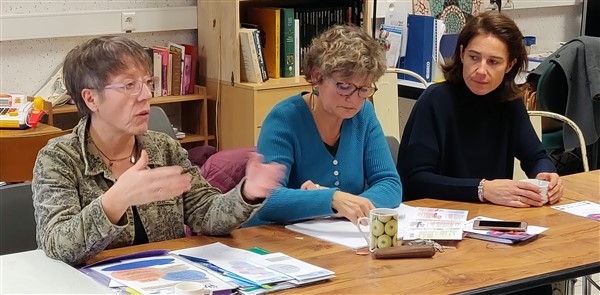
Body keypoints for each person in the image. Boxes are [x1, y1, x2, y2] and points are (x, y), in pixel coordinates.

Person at [32, 36, 285, 266]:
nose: (146, 95)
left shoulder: (163, 147)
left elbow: (206, 214)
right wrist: (117, 198)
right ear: (91, 99)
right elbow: (57, 245)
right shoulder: (59, 158)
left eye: (147, 83)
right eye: (129, 85)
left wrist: (247, 193)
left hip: (169, 280)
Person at [397, 11, 563, 208]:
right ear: (461, 54)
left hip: (491, 217)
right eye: (474, 57)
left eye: (493, 62)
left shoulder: (509, 102)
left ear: (510, 65)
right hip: (439, 215)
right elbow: (415, 179)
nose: (481, 70)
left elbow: (536, 157)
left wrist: (546, 176)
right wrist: (482, 189)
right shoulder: (435, 100)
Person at [244, 24, 402, 227]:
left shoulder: (364, 114)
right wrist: (333, 200)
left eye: (364, 89)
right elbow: (265, 199)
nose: (354, 100)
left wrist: (353, 206)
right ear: (318, 77)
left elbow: (390, 184)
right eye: (344, 86)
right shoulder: (284, 119)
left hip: (339, 240)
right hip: (280, 241)